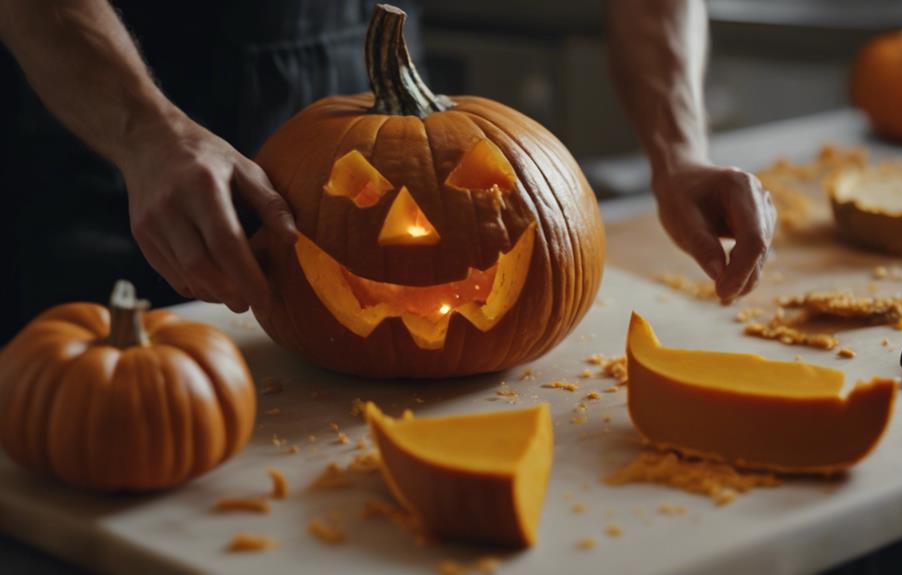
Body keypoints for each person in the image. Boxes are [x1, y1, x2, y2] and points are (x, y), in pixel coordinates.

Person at [0, 0, 775, 342]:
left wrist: (680, 152)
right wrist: (142, 132)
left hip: (357, 74)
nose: (418, 231)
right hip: (95, 134)